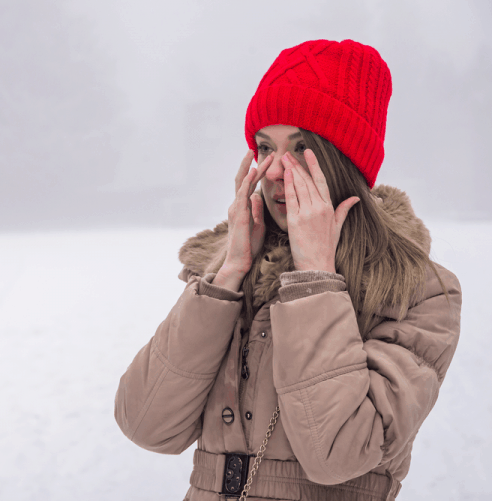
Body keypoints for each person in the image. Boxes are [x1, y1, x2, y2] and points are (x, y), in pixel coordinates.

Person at [114, 39, 462, 501]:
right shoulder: (232, 278)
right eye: (264, 147)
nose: (275, 170)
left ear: (344, 161)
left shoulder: (417, 291)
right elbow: (145, 425)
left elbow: (338, 453)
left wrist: (316, 279)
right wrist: (228, 274)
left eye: (301, 149)